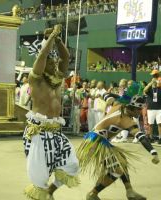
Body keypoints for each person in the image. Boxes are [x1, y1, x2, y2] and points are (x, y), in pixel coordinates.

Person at [23, 24, 79, 200]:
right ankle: (42, 194)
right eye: (51, 61)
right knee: (39, 176)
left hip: (56, 131)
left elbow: (66, 56)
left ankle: (49, 192)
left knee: (71, 165)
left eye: (55, 62)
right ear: (43, 64)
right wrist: (50, 38)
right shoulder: (36, 79)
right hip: (39, 133)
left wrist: (59, 39)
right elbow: (43, 54)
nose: (55, 63)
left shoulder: (58, 78)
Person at [78, 82, 160, 200]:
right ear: (134, 108)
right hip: (96, 143)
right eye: (139, 109)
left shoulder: (117, 105)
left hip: (95, 140)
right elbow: (142, 138)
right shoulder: (127, 121)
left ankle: (130, 191)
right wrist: (153, 152)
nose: (139, 113)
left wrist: (120, 98)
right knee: (117, 170)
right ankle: (93, 193)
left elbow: (106, 94)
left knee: (122, 160)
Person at [143, 70, 161, 144]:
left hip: (159, 108)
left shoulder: (160, 88)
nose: (154, 79)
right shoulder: (149, 89)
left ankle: (160, 138)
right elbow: (144, 90)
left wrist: (157, 83)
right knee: (150, 124)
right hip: (151, 108)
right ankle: (150, 137)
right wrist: (150, 83)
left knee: (160, 124)